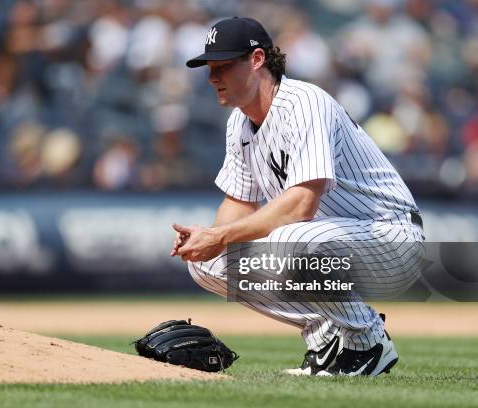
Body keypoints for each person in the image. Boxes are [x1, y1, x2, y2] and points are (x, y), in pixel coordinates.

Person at [170, 17, 425, 376]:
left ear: (257, 59)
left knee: (290, 239)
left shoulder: (303, 102)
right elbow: (239, 204)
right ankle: (326, 341)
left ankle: (369, 340)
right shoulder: (239, 123)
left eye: (224, 66)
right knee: (207, 263)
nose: (213, 77)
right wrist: (209, 240)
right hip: (326, 244)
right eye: (210, 68)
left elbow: (302, 206)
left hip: (390, 238)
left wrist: (221, 236)